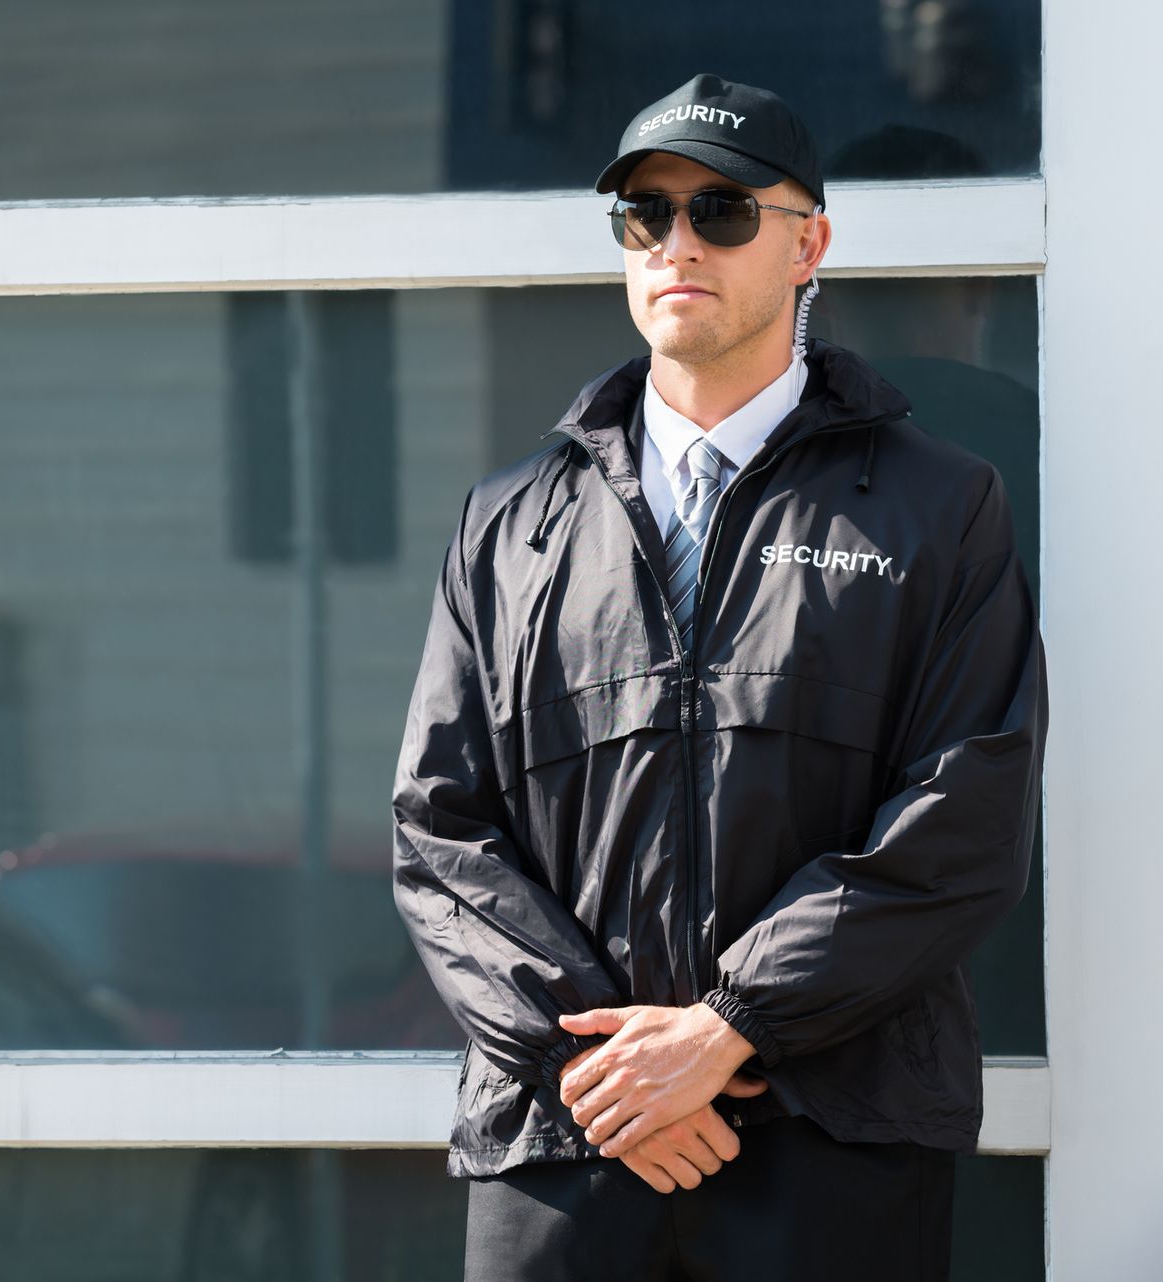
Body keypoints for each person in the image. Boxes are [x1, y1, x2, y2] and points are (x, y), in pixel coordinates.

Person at [391, 72, 1048, 1281]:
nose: (677, 241)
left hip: (831, 1135)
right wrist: (598, 1067)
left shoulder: (938, 506)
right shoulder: (511, 522)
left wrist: (729, 1028)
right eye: (646, 214)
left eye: (723, 210)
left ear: (812, 245)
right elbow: (441, 833)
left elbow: (968, 818)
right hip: (566, 1140)